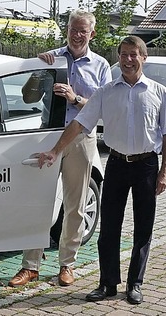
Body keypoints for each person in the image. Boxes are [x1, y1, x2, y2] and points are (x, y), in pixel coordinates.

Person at [35, 35, 166, 305]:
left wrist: (164, 173)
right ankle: (107, 283)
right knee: (109, 229)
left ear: (143, 57)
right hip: (117, 164)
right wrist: (55, 150)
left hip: (147, 167)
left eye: (134, 55)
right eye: (124, 54)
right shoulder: (106, 92)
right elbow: (80, 123)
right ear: (118, 57)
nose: (128, 60)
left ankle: (135, 284)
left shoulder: (158, 93)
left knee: (143, 229)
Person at [9, 9, 112, 288]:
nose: (77, 35)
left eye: (82, 31)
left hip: (80, 140)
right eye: (72, 29)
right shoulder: (51, 58)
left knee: (75, 207)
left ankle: (67, 265)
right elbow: (28, 97)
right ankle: (30, 266)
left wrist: (75, 98)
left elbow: (104, 109)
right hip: (48, 138)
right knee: (37, 202)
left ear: (92, 33)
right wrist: (37, 72)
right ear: (67, 30)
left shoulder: (101, 66)